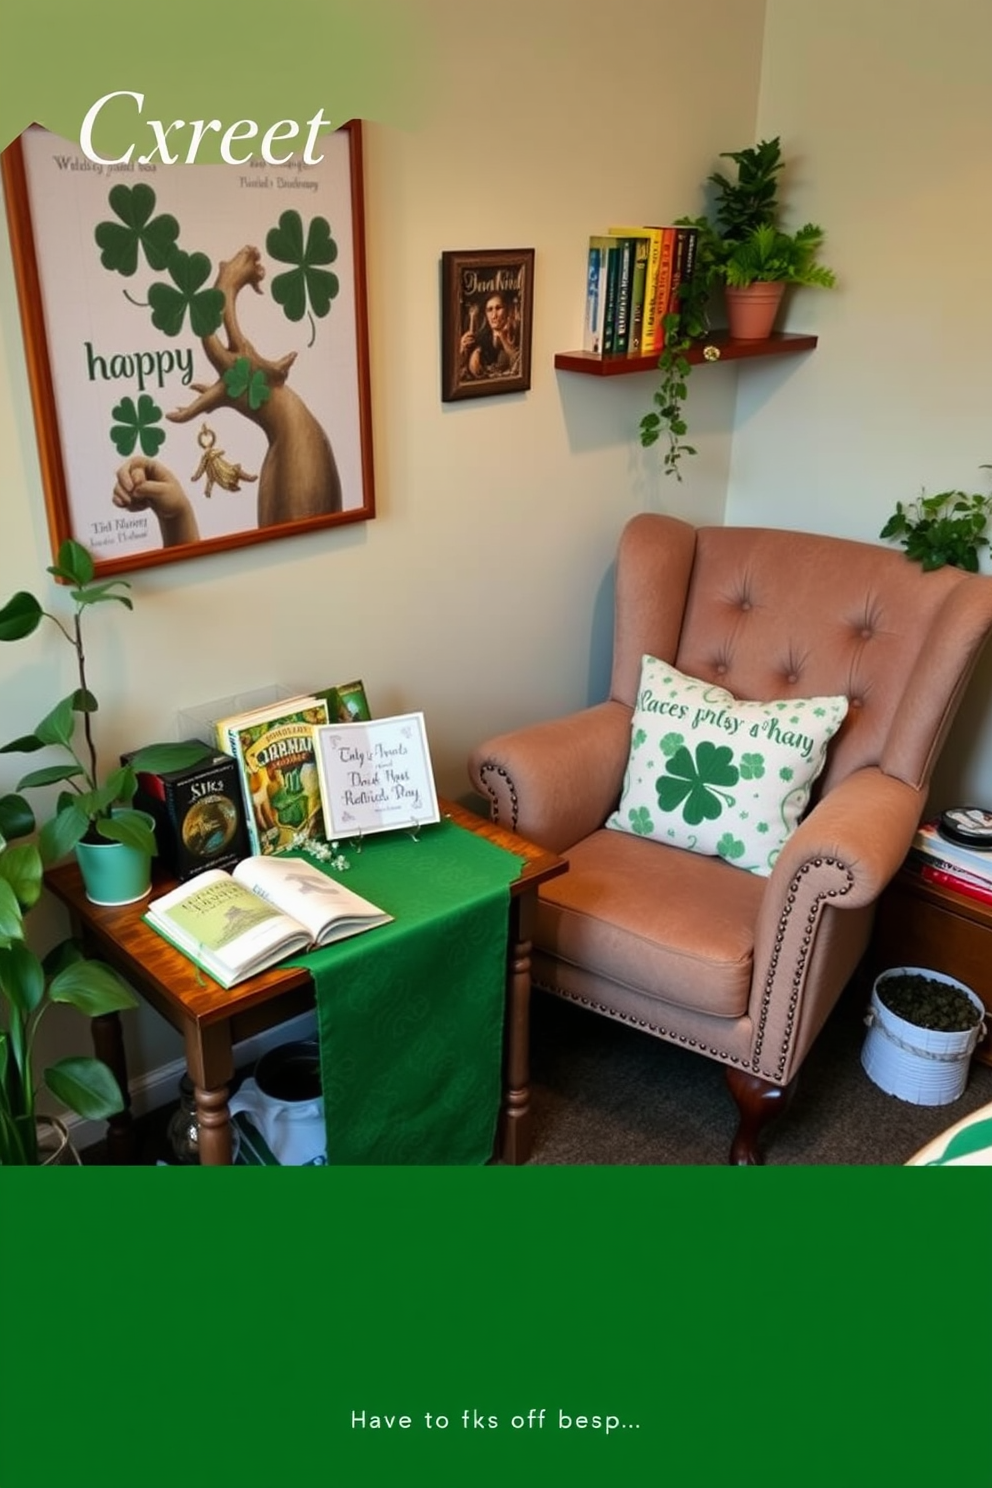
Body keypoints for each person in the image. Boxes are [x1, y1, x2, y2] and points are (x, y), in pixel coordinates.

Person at [459, 291, 521, 379]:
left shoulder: (517, 334)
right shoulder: (478, 339)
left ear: (507, 310)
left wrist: (503, 338)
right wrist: (462, 350)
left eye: (498, 308)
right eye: (490, 310)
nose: (494, 315)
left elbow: (520, 366)